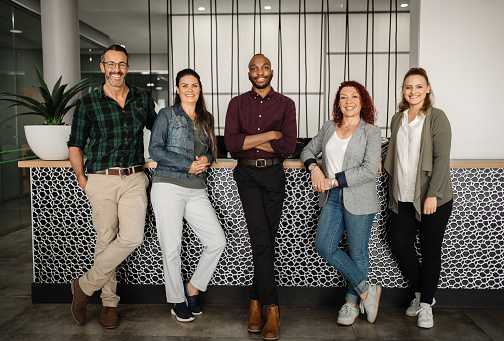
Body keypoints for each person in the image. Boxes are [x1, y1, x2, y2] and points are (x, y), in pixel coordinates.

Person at [67, 44, 157, 328]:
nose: (116, 70)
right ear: (102, 67)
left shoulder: (143, 98)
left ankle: (83, 286)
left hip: (133, 178)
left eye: (121, 65)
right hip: (100, 179)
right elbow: (75, 144)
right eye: (111, 64)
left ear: (127, 67)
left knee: (132, 238)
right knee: (105, 241)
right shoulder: (88, 103)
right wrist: (83, 179)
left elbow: (161, 131)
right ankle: (108, 305)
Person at [224, 53, 296, 340]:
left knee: (266, 241)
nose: (260, 72)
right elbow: (231, 145)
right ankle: (272, 309)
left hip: (274, 177)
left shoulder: (286, 104)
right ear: (249, 73)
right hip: (247, 177)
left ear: (272, 71)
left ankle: (255, 303)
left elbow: (288, 145)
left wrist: (251, 141)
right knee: (261, 239)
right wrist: (271, 136)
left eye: (264, 67)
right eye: (254, 68)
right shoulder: (236, 103)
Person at [300, 81, 382, 326]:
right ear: (338, 103)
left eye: (354, 96)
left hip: (359, 196)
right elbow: (306, 150)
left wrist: (334, 180)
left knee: (357, 251)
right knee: (324, 246)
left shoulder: (371, 132)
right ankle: (368, 291)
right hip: (332, 199)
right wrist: (314, 168)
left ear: (362, 101)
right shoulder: (329, 127)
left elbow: (369, 170)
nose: (349, 101)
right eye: (343, 97)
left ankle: (351, 303)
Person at [148, 68, 226, 323]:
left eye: (194, 85)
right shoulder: (167, 115)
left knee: (217, 241)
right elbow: (155, 150)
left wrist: (206, 158)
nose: (190, 90)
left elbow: (213, 151)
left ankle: (192, 288)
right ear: (178, 89)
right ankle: (176, 300)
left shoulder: (206, 118)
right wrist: (187, 164)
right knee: (171, 248)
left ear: (199, 89)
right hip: (168, 186)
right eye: (185, 85)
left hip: (196, 189)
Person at [383, 67, 452, 329]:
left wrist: (433, 194)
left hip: (432, 197)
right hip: (402, 195)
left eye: (419, 87)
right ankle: (424, 294)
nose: (413, 91)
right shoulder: (397, 118)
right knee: (400, 244)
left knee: (430, 251)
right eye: (408, 87)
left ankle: (424, 306)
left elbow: (441, 158)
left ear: (428, 89)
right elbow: (395, 152)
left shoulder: (436, 117)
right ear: (403, 90)